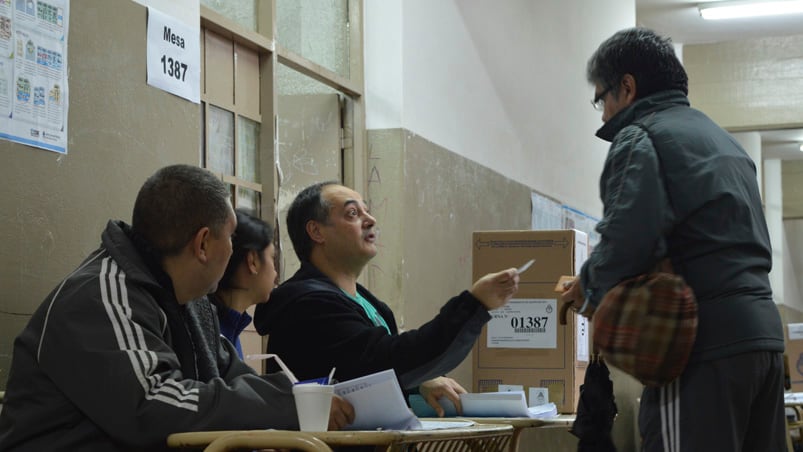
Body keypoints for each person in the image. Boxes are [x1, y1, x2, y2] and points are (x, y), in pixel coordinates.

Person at [0, 165, 353, 451]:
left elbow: (230, 377)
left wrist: (301, 399)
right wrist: (284, 405)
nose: (233, 250)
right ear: (202, 244)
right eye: (230, 237)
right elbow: (152, 405)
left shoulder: (192, 302)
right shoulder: (99, 297)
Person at [560, 27, 786, 451]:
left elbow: (627, 240)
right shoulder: (726, 144)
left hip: (701, 346)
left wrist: (587, 288)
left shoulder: (642, 136)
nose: (603, 115)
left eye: (601, 99)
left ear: (627, 87)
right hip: (763, 342)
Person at [254, 181, 520, 416]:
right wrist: (474, 304)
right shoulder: (308, 306)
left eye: (367, 210)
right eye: (353, 213)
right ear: (317, 232)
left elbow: (374, 367)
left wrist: (418, 382)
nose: (370, 220)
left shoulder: (367, 302)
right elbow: (384, 364)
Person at [209, 209, 277, 359]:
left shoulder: (227, 324)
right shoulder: (211, 333)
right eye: (272, 258)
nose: (275, 272)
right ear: (252, 261)